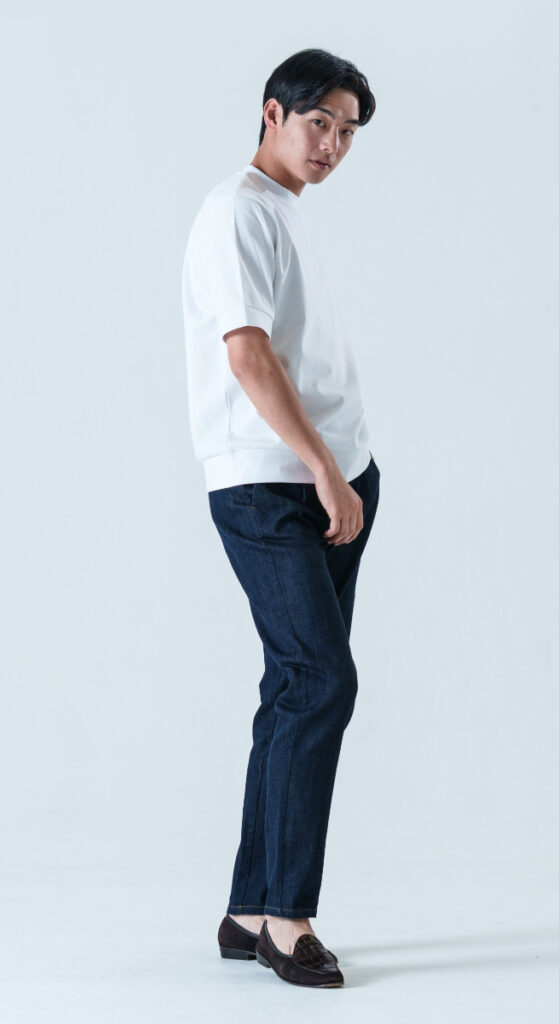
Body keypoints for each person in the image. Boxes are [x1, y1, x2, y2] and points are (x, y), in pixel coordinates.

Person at [181, 48, 381, 989]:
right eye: (318, 123)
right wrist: (324, 471)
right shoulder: (236, 210)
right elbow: (247, 354)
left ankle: (247, 907)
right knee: (322, 681)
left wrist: (349, 472)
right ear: (272, 113)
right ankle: (287, 918)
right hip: (273, 485)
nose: (332, 144)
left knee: (292, 687)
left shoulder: (284, 209)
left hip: (330, 481)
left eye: (347, 131)